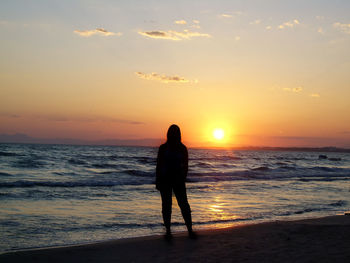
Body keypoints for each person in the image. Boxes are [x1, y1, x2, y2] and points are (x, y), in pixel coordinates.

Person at [156, 124, 195, 239]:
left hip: (178, 180)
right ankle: (168, 231)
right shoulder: (163, 148)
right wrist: (158, 180)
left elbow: (186, 166)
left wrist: (183, 178)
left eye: (175, 132)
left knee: (183, 205)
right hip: (165, 180)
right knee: (167, 206)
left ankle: (190, 230)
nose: (173, 134)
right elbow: (159, 165)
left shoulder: (182, 148)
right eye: (172, 132)